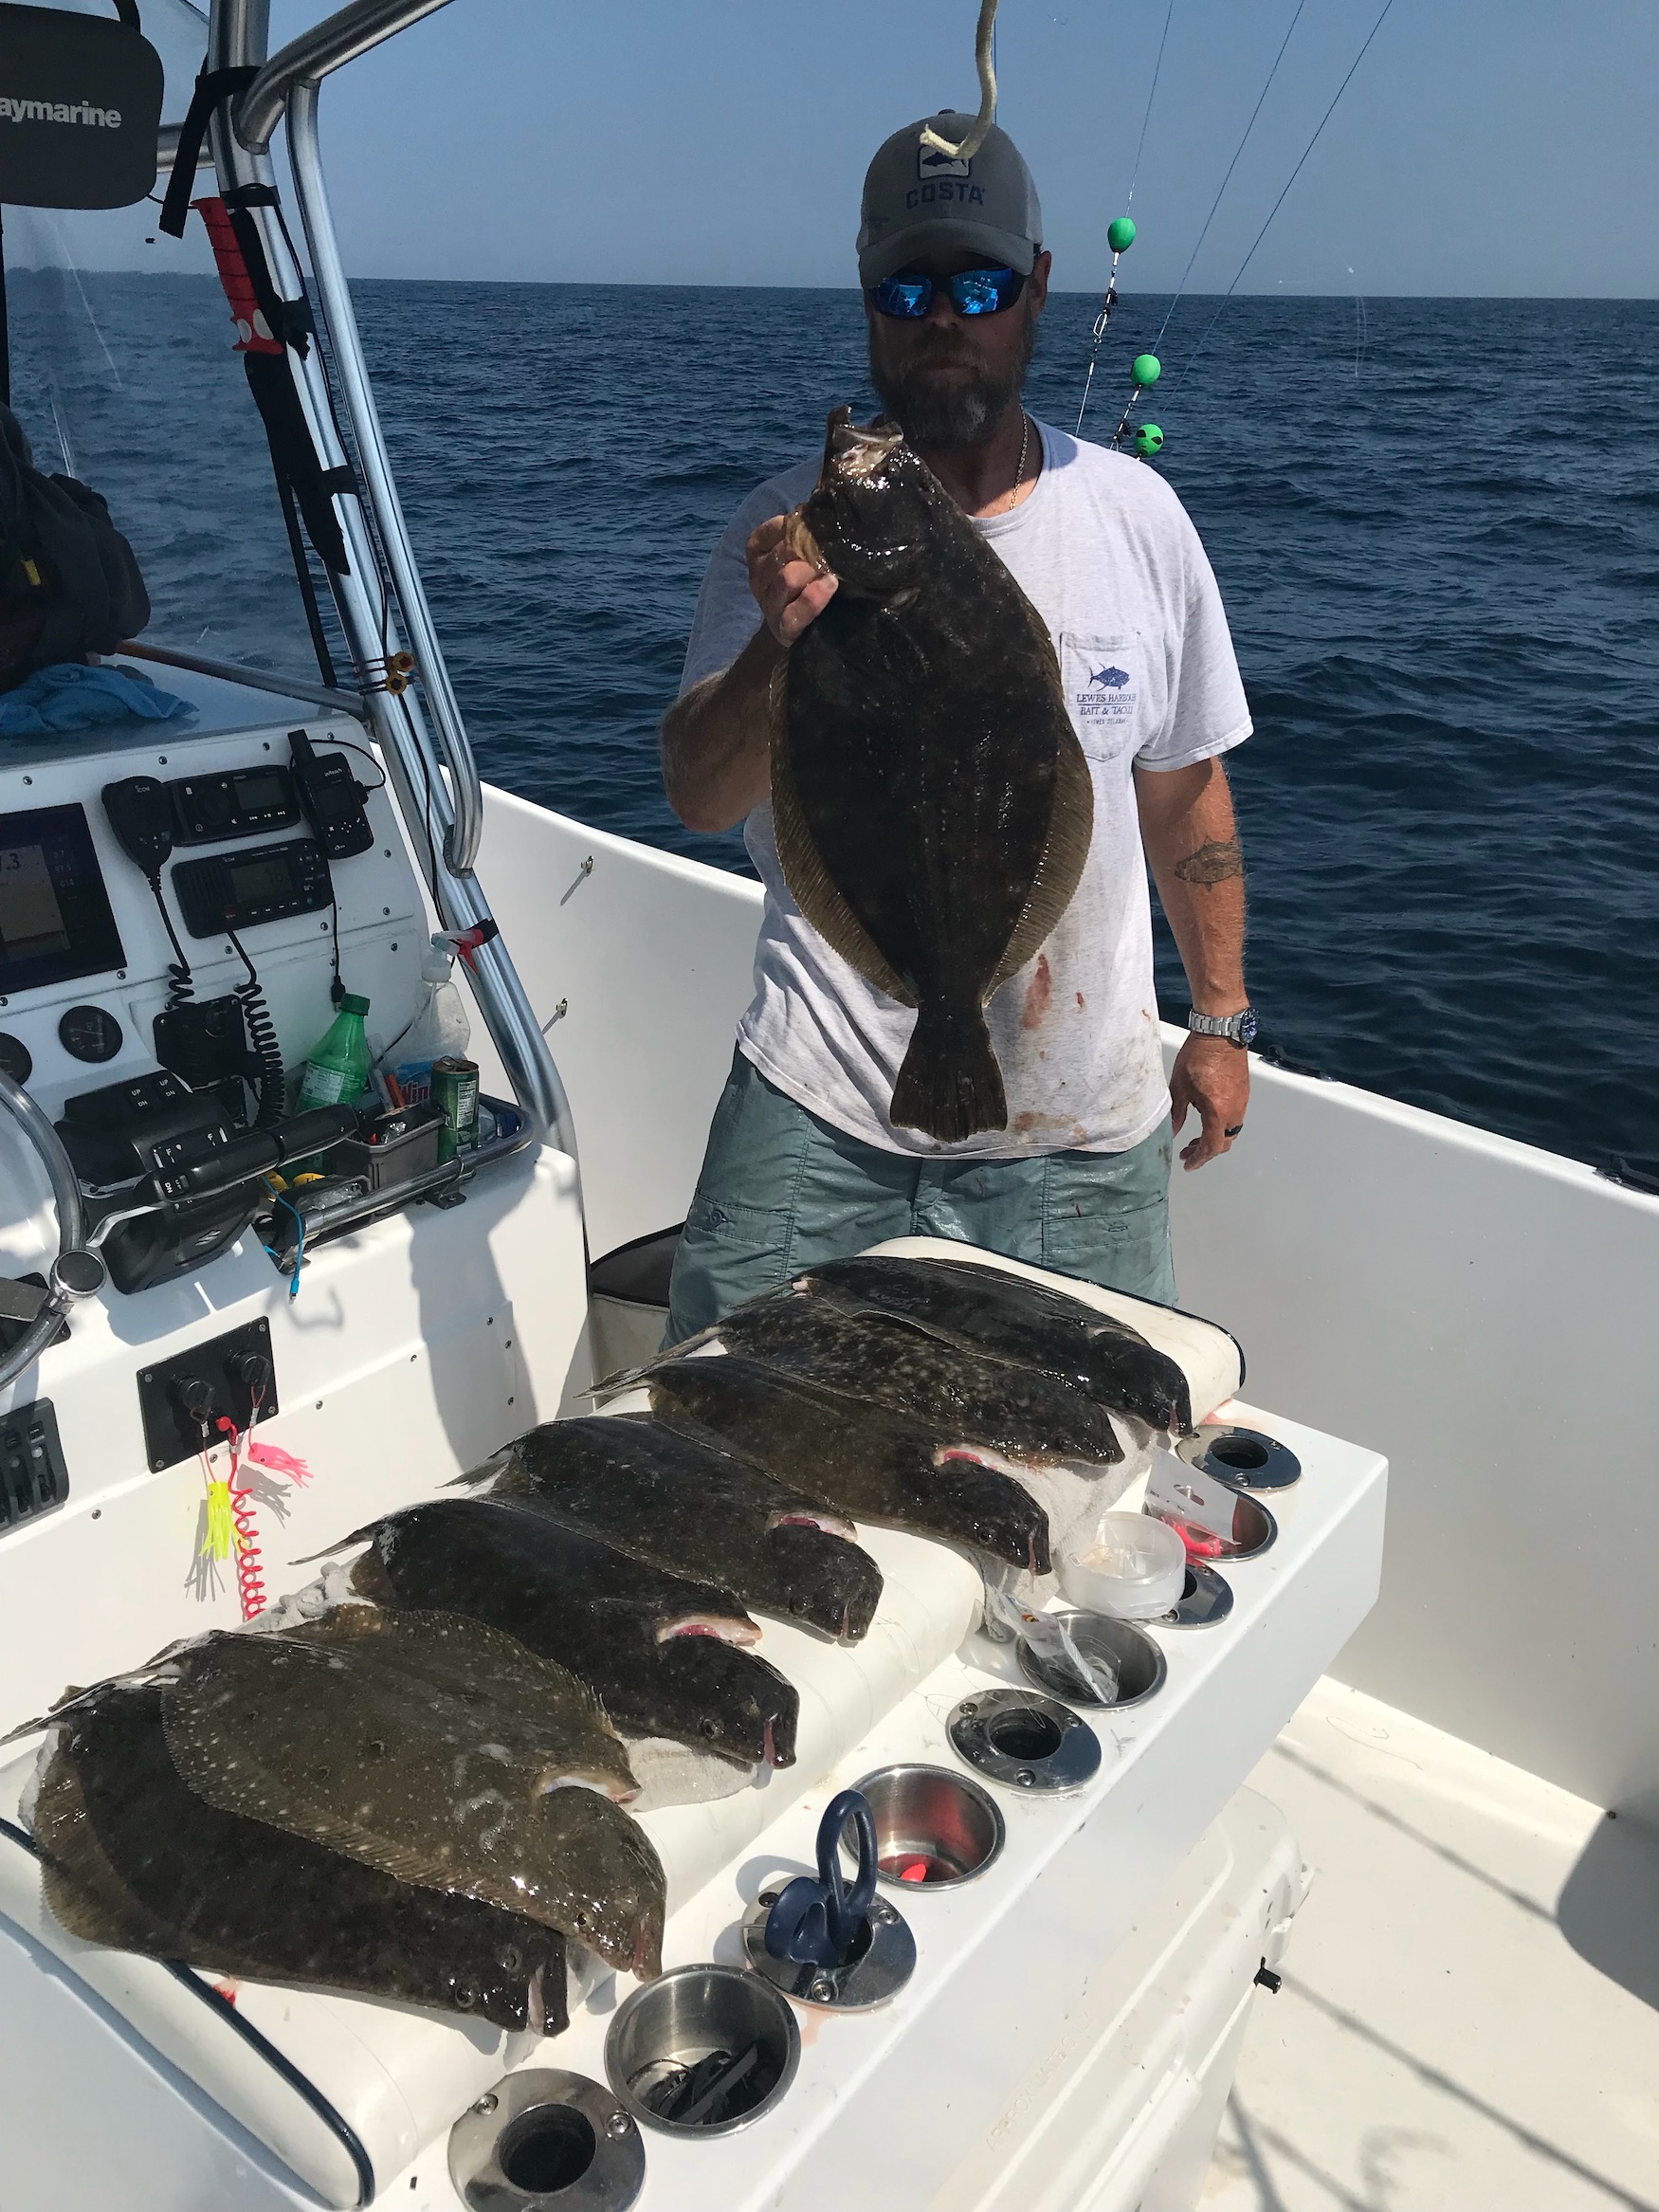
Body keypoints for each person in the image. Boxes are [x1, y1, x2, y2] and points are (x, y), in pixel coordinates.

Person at [659, 110, 1254, 1344]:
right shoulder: (773, 536)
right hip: (817, 1098)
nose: (942, 316)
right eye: (907, 287)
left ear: (1037, 287)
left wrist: (1219, 1019)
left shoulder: (1139, 521)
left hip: (1079, 1129)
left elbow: (1181, 787)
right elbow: (700, 798)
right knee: (726, 1413)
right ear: (867, 296)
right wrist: (778, 644)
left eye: (978, 285)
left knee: (1082, 1445)